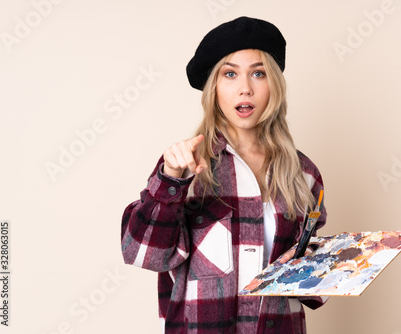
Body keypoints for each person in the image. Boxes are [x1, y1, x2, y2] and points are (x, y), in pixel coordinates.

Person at [121, 16, 328, 333]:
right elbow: (144, 255)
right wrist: (170, 180)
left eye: (258, 73)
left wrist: (329, 263)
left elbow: (309, 280)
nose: (245, 88)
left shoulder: (303, 173)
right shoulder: (185, 166)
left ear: (273, 84)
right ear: (213, 88)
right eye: (230, 74)